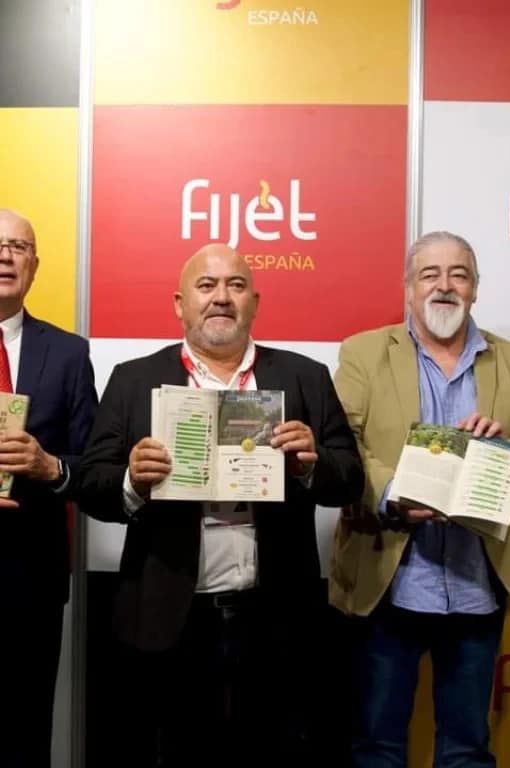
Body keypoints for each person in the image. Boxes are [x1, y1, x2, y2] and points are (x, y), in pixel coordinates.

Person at [77, 244, 364, 767]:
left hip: (276, 616)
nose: (222, 298)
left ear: (255, 302)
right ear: (179, 304)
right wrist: (132, 481)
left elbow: (350, 480)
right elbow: (93, 485)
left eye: (235, 285)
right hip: (168, 617)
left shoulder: (304, 377)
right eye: (206, 286)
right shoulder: (133, 378)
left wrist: (310, 464)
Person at [329, 231, 510, 767]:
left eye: (459, 274)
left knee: (467, 749)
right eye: (429, 274)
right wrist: (393, 493)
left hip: (477, 583)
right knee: (377, 746)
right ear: (409, 287)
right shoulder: (364, 352)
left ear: (475, 288)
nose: (444, 286)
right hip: (389, 580)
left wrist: (506, 452)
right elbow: (343, 443)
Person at [0, 209, 97, 768]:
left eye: (19, 246)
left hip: (31, 578)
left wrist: (50, 466)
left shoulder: (68, 353)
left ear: (35, 265)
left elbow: (95, 467)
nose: (5, 256)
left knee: (26, 734)